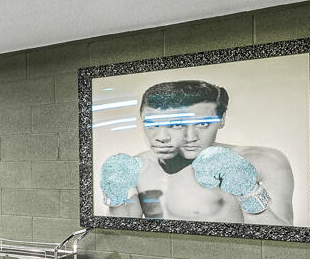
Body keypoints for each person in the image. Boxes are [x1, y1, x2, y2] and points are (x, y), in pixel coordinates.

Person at [99, 79, 294, 225]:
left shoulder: (264, 161)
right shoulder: (136, 167)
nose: (190, 137)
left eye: (202, 124)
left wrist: (249, 192)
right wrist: (114, 198)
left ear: (222, 119)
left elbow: (283, 244)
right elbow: (122, 235)